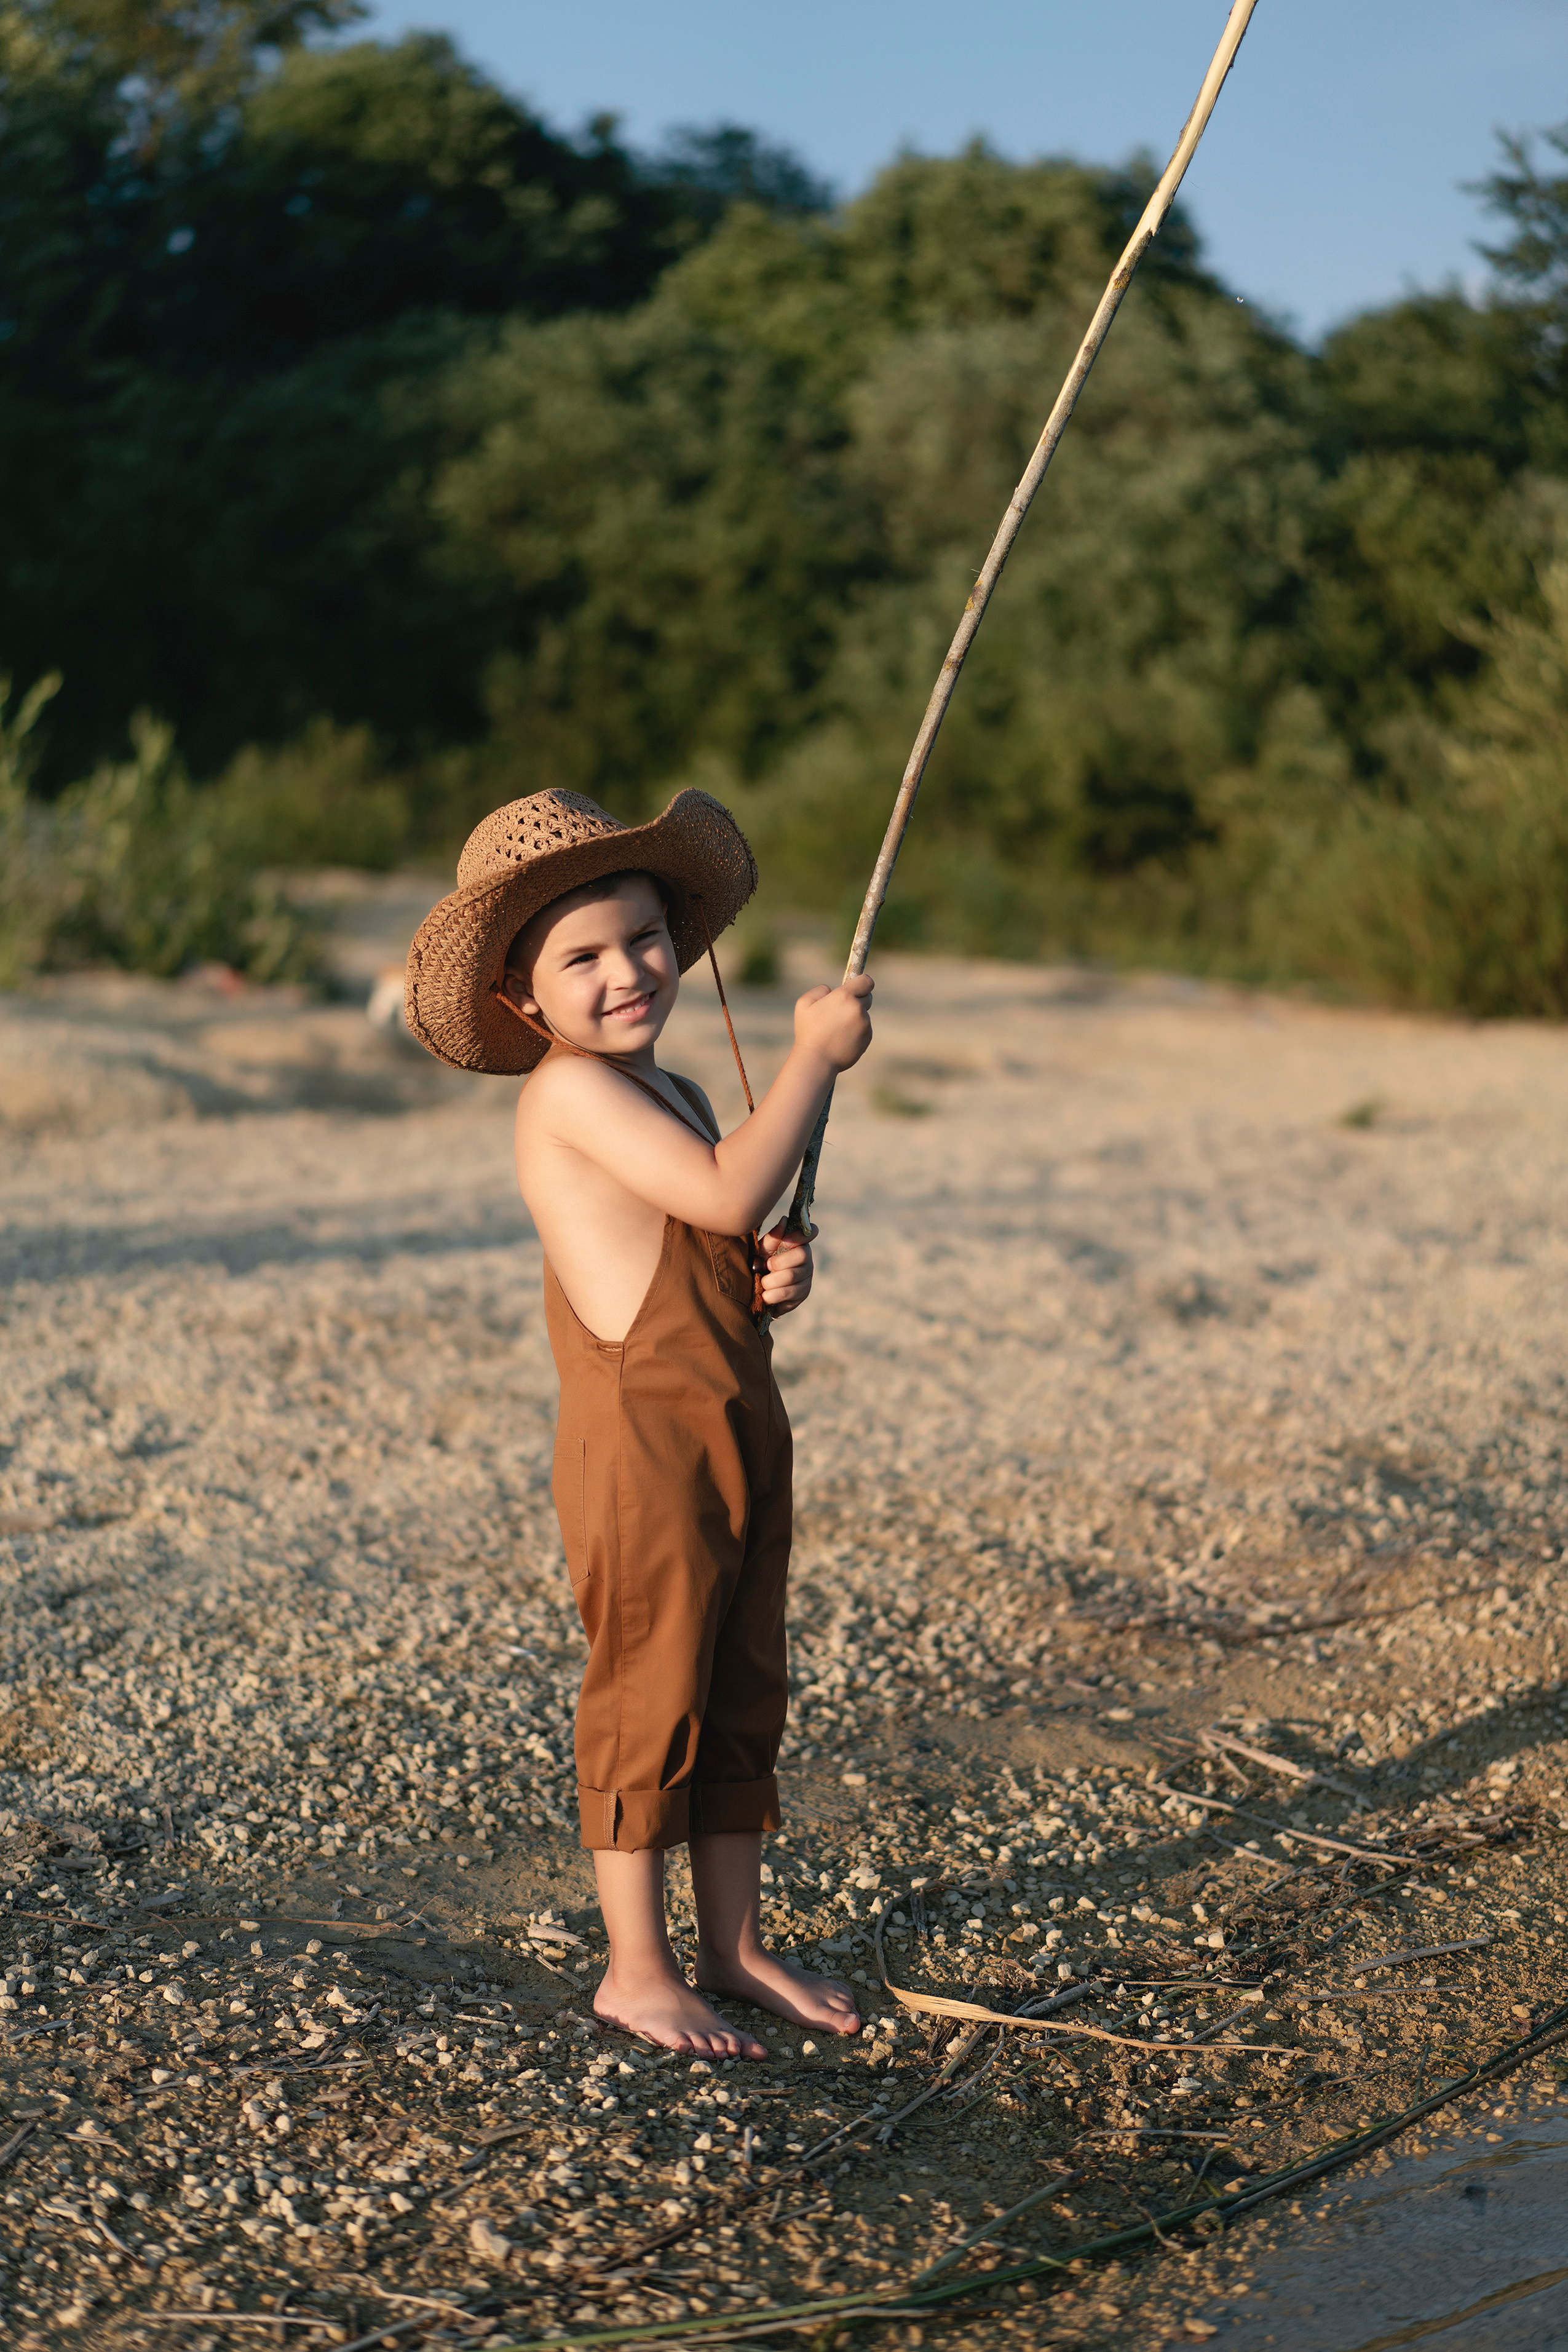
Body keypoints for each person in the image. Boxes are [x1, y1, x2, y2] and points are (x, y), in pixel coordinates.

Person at [406, 786, 874, 2056]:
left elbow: (714, 1241)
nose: (629, 971)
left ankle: (734, 1941)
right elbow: (726, 1193)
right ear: (522, 997)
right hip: (644, 1453)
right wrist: (813, 1062)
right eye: (584, 957)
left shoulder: (662, 1086)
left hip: (732, 1422)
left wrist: (776, 1275)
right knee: (650, 1687)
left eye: (647, 936)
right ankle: (635, 1963)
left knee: (740, 1679)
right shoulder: (568, 1096)